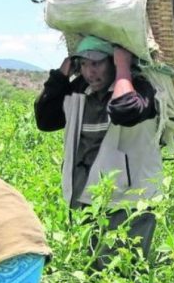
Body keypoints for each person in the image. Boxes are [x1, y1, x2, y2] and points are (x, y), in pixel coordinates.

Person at [34, 35, 161, 268]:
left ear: (112, 61)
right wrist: (61, 76)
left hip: (129, 200)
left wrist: (123, 69)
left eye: (97, 63)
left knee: (124, 271)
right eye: (83, 64)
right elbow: (45, 119)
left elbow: (125, 110)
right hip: (85, 196)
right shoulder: (79, 90)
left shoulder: (140, 87)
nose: (90, 72)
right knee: (89, 267)